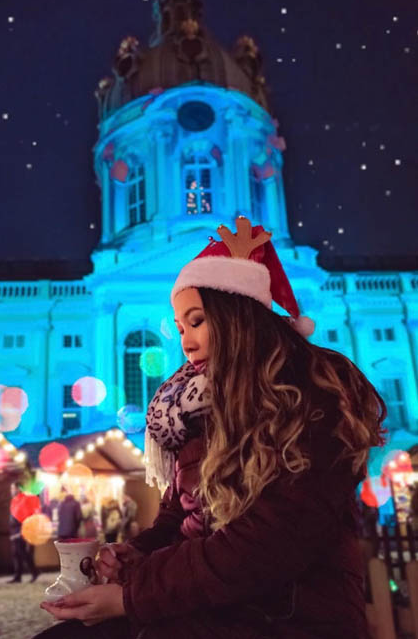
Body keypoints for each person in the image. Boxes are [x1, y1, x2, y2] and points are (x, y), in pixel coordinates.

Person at [38, 217, 386, 638]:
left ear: (236, 315)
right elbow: (179, 517)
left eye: (198, 321)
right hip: (211, 604)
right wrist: (136, 553)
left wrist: (132, 596)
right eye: (181, 327)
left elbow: (266, 545)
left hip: (286, 617)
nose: (185, 342)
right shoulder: (190, 406)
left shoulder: (309, 394)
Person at [9, 482, 39, 583]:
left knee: (22, 553)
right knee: (16, 553)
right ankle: (18, 576)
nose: (11, 491)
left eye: (12, 488)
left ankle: (34, 572)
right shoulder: (15, 500)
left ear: (18, 489)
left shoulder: (23, 500)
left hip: (20, 530)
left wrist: (21, 531)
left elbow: (26, 516)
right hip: (14, 530)